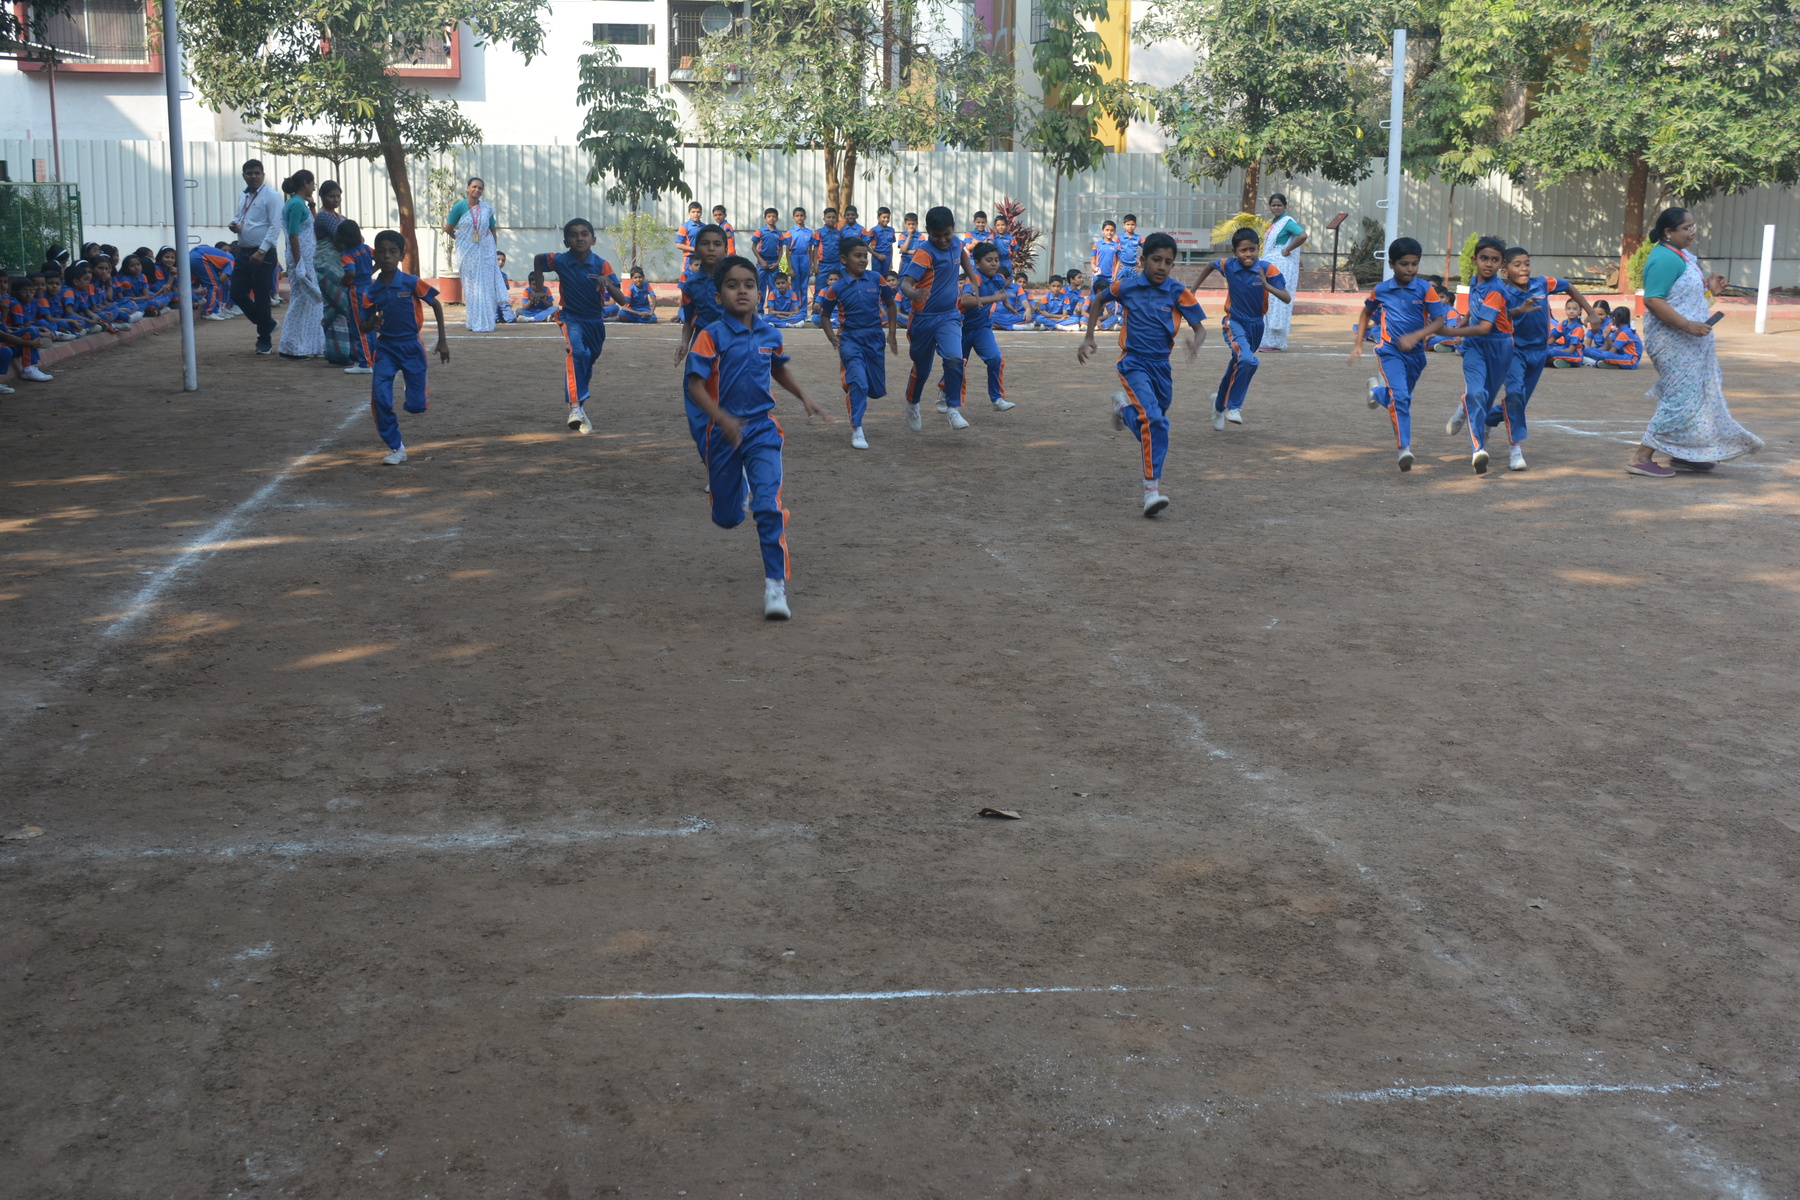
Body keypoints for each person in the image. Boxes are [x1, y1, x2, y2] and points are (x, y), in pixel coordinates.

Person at [684, 255, 833, 619]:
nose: (742, 291)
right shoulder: (710, 336)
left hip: (763, 429)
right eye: (732, 285)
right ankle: (736, 495)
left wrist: (804, 396)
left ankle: (775, 588)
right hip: (723, 436)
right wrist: (722, 418)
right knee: (727, 518)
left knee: (768, 506)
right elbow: (694, 386)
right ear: (718, 296)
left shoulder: (770, 334)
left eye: (749, 285)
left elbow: (777, 368)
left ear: (759, 292)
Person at [1628, 207, 1763, 476]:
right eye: (1687, 228)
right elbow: (1653, 300)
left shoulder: (1679, 255)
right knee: (1680, 397)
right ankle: (1641, 458)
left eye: (1693, 226)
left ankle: (1685, 453)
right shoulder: (1665, 258)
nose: (1693, 232)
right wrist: (1687, 325)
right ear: (1669, 232)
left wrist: (1710, 291)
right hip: (1673, 341)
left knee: (1696, 396)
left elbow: (1686, 301)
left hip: (1689, 340)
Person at [1080, 232, 1204, 517]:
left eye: (1168, 262)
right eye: (1156, 260)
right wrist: (1089, 336)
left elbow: (1200, 328)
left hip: (1162, 367)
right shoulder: (1127, 286)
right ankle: (1151, 491)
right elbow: (1098, 299)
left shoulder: (1177, 292)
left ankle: (1122, 410)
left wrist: (1195, 343)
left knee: (1154, 424)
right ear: (1143, 260)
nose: (1162, 266)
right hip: (1133, 362)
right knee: (1155, 421)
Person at [1350, 237, 1452, 472]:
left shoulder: (1426, 289)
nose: (1410, 269)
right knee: (1401, 398)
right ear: (1391, 264)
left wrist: (1417, 336)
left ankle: (1377, 392)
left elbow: (1439, 321)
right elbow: (1366, 313)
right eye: (1404, 264)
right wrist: (1358, 343)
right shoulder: (1382, 290)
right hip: (1390, 351)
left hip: (1416, 356)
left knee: (1400, 397)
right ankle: (1404, 449)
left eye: (1414, 263)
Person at [1495, 247, 1595, 469]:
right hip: (1514, 351)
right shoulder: (1503, 294)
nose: (1524, 268)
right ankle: (1515, 450)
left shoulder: (1541, 283)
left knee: (1519, 402)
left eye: (1527, 263)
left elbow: (1568, 286)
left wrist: (1590, 311)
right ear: (1505, 271)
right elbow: (1496, 317)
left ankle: (1484, 418)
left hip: (1540, 352)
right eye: (1517, 265)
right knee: (1514, 394)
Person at [356, 230, 450, 466]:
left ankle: (414, 388)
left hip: (411, 347)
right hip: (385, 349)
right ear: (375, 256)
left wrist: (442, 340)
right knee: (380, 398)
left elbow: (436, 304)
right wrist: (371, 324)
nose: (387, 256)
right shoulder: (371, 291)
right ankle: (396, 447)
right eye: (382, 252)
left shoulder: (411, 282)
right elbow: (363, 326)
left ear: (401, 255)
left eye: (392, 251)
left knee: (416, 407)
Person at [534, 218, 630, 434]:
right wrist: (540, 288)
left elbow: (622, 301)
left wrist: (607, 284)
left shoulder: (602, 264)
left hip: (595, 322)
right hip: (571, 318)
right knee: (577, 352)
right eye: (573, 235)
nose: (579, 238)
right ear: (566, 241)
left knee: (587, 361)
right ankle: (575, 408)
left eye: (584, 234)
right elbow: (538, 260)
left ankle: (580, 407)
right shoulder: (560, 260)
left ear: (593, 240)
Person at [1191, 227, 1290, 430]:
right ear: (1235, 251)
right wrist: (1192, 290)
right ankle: (1234, 407)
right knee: (1247, 360)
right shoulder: (1229, 265)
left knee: (1238, 365)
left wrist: (1267, 286)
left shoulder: (1267, 269)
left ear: (1258, 248)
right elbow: (1210, 265)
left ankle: (1218, 405)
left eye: (1252, 249)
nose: (1248, 254)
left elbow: (1286, 297)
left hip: (1257, 325)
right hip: (1234, 322)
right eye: (1243, 250)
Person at [900, 205, 980, 433]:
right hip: (923, 319)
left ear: (953, 228)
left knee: (955, 358)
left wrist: (973, 279)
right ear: (928, 231)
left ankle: (953, 408)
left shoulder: (957, 243)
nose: (943, 240)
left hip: (949, 316)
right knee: (922, 369)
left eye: (947, 234)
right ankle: (913, 403)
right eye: (937, 236)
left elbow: (962, 254)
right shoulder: (924, 253)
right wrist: (914, 293)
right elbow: (905, 283)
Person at [818, 236, 899, 449]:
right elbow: (824, 315)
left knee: (876, 390)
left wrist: (891, 333)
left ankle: (855, 384)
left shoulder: (877, 279)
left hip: (874, 338)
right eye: (858, 256)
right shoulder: (837, 287)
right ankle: (857, 428)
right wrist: (831, 335)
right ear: (844, 259)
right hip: (850, 339)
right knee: (859, 383)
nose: (863, 260)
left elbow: (891, 305)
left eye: (865, 256)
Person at [1444, 235, 1512, 474]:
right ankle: (1478, 450)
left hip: (1500, 347)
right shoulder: (1475, 281)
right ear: (1475, 260)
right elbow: (1474, 310)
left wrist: (1450, 330)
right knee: (1476, 393)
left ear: (1501, 264)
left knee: (1485, 399)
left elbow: (1485, 327)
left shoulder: (1497, 290)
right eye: (1484, 258)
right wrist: (1462, 325)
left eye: (1495, 260)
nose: (1488, 264)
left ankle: (1466, 407)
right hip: (1475, 345)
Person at [678, 225, 733, 457]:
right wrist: (684, 343)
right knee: (695, 396)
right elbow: (689, 319)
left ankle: (734, 455)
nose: (711, 248)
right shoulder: (691, 285)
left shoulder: (735, 279)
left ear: (725, 249)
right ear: (696, 249)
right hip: (701, 346)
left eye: (717, 244)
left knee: (730, 399)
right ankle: (710, 456)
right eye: (705, 243)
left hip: (731, 345)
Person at [945, 241, 1014, 414]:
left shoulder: (998, 278)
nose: (994, 264)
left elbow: (1000, 291)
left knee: (995, 358)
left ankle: (997, 399)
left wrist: (1006, 302)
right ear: (976, 263)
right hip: (961, 328)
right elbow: (966, 301)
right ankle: (944, 391)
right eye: (989, 260)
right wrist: (994, 299)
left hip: (982, 328)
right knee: (957, 365)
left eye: (996, 260)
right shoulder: (974, 279)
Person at [227, 158, 284, 354]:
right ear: (244, 176)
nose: (253, 176)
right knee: (236, 292)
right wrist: (234, 223)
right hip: (243, 252)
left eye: (257, 173)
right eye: (249, 173)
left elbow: (275, 226)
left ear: (263, 175)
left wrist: (262, 251)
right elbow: (240, 216)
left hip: (263, 253)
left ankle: (264, 340)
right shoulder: (243, 195)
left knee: (261, 296)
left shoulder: (272, 196)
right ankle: (267, 323)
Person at [443, 177, 504, 333]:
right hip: (467, 253)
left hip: (485, 252)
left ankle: (487, 322)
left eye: (480, 188)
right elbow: (448, 228)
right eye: (474, 187)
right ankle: (473, 321)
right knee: (471, 287)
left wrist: (493, 251)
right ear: (468, 188)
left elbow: (492, 230)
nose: (477, 190)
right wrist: (461, 240)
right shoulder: (459, 207)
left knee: (486, 287)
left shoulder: (486, 209)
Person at [275, 171, 325, 360]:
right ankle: (290, 346)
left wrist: (312, 205)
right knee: (301, 301)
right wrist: (299, 265)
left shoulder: (298, 204)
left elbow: (314, 227)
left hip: (305, 259)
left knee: (310, 302)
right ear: (305, 183)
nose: (314, 187)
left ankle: (309, 345)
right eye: (312, 183)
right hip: (301, 260)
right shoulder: (296, 204)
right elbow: (294, 235)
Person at [311, 180, 358, 365]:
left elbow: (352, 237)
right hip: (326, 267)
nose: (336, 199)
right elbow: (343, 240)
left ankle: (343, 352)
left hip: (338, 267)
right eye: (331, 196)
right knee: (343, 306)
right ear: (322, 197)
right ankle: (339, 353)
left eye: (338, 196)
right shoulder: (324, 216)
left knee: (336, 308)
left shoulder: (339, 216)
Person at [1263, 193, 1308, 351]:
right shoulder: (1274, 222)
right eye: (1273, 205)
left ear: (1285, 206)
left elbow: (1303, 235)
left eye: (1279, 205)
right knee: (1269, 300)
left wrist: (1287, 250)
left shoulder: (1287, 222)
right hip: (1271, 263)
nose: (1276, 208)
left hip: (1280, 265)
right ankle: (1267, 340)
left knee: (1277, 300)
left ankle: (1275, 342)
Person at [335, 221, 376, 374]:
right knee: (371, 324)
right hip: (370, 287)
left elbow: (351, 272)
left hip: (356, 290)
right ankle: (372, 358)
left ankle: (364, 363)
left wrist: (344, 280)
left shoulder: (347, 254)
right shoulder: (366, 248)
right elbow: (378, 258)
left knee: (359, 326)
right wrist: (370, 271)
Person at [752, 208, 786, 308]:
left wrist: (777, 263)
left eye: (774, 216)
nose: (771, 218)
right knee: (760, 286)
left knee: (774, 287)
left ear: (777, 219)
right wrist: (761, 261)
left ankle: (773, 309)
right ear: (765, 218)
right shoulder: (760, 232)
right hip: (762, 261)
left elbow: (781, 250)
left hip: (774, 262)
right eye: (769, 216)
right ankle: (760, 310)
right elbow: (753, 247)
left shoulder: (779, 234)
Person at [812, 208, 844, 310]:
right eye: (828, 217)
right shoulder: (819, 232)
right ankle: (816, 311)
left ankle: (836, 310)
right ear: (824, 219)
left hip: (836, 263)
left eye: (833, 217)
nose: (831, 219)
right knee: (820, 288)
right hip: (823, 264)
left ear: (836, 219)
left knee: (837, 287)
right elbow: (815, 249)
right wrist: (815, 264)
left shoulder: (839, 233)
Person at [786, 208, 815, 315]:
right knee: (795, 286)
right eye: (797, 216)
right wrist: (790, 268)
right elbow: (787, 251)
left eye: (801, 215)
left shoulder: (809, 232)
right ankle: (795, 310)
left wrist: (811, 266)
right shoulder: (790, 232)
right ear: (793, 218)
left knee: (804, 287)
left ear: (805, 217)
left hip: (805, 258)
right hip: (794, 257)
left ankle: (803, 311)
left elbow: (811, 250)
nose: (799, 218)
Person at [1548, 299, 1587, 368]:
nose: (1571, 311)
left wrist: (1556, 351)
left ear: (1580, 311)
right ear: (1565, 310)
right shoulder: (1563, 323)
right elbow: (1551, 340)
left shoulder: (1578, 328)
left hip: (1574, 355)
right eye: (1569, 308)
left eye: (1575, 309)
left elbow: (1571, 350)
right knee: (1545, 350)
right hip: (1565, 349)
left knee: (1551, 352)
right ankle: (1563, 362)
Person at [1091, 219, 1122, 295]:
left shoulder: (1117, 245)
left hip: (1110, 277)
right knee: (1095, 297)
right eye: (1107, 230)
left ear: (1114, 231)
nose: (1109, 232)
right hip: (1098, 276)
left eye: (1112, 230)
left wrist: (1115, 274)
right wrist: (1093, 267)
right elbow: (1093, 260)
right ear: (1102, 231)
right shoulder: (1097, 244)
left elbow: (1118, 261)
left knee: (1110, 297)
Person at [676, 201, 705, 272]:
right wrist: (694, 249)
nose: (696, 214)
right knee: (688, 277)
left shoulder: (705, 227)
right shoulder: (684, 227)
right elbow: (679, 245)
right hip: (689, 258)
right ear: (689, 213)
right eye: (693, 212)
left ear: (701, 213)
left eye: (698, 212)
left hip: (702, 257)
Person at [869, 208, 897, 276]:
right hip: (876, 257)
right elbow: (865, 245)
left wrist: (891, 262)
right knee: (876, 276)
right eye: (884, 217)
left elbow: (890, 246)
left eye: (888, 217)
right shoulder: (873, 230)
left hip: (887, 257)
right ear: (878, 218)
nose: (886, 219)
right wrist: (877, 255)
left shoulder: (891, 230)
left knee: (886, 277)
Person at [1116, 214, 1143, 281]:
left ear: (1135, 225)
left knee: (1133, 286)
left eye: (1132, 224)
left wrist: (1140, 263)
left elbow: (1148, 247)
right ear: (1124, 225)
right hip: (1122, 267)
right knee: (1118, 285)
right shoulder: (1118, 237)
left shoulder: (1138, 238)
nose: (1130, 226)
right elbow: (1111, 250)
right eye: (1128, 224)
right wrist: (1115, 262)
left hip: (1133, 268)